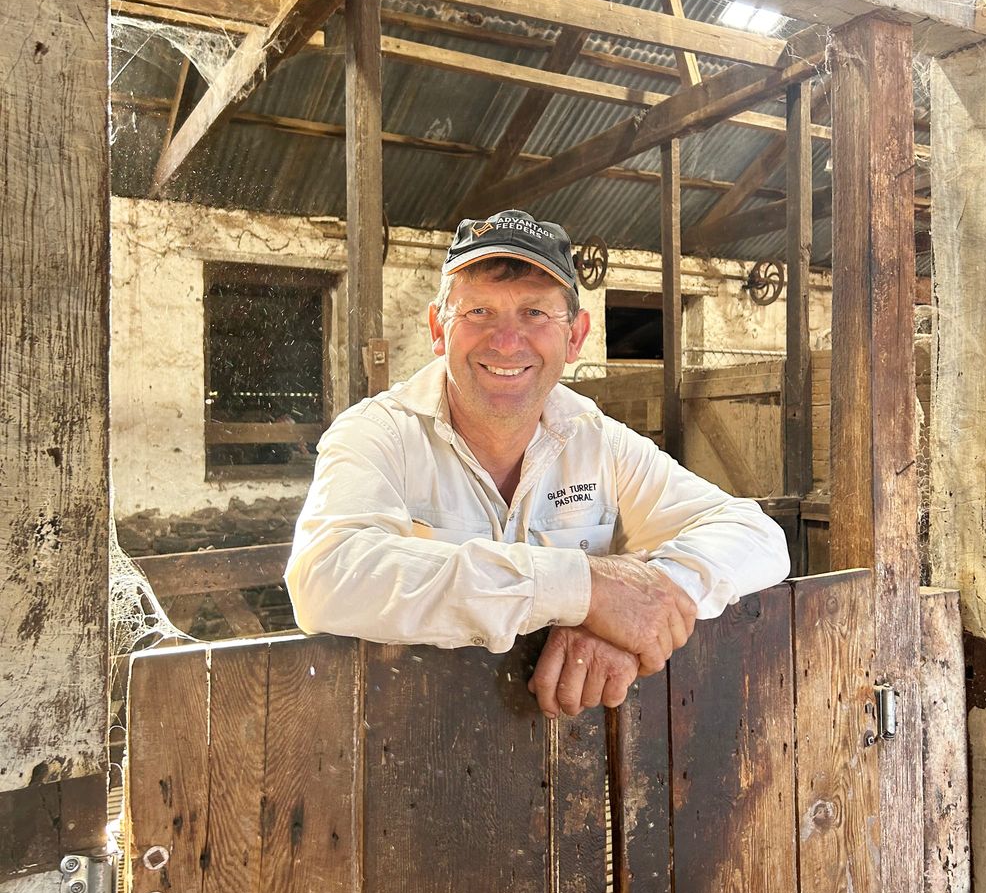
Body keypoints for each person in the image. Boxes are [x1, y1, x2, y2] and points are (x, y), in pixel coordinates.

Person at [286, 210, 790, 718]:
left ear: (575, 337)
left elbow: (756, 535)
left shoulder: (597, 441)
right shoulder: (377, 432)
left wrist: (652, 595)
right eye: (479, 311)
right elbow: (324, 578)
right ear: (440, 329)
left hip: (569, 748)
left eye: (535, 314)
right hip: (410, 740)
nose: (506, 341)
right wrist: (586, 589)